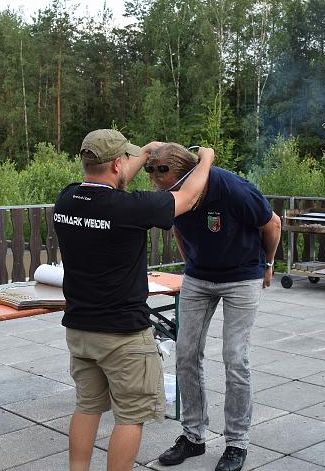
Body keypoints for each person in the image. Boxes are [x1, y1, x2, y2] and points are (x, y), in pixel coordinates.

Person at [53, 130, 215, 471]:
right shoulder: (130, 208)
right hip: (123, 335)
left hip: (80, 330)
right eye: (126, 159)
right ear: (117, 163)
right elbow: (187, 197)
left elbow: (113, 176)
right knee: (130, 416)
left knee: (87, 407)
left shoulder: (66, 199)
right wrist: (207, 159)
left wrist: (142, 153)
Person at [150, 143, 281, 471]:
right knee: (186, 353)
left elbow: (273, 224)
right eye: (153, 173)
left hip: (242, 276)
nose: (156, 181)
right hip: (199, 277)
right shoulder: (172, 194)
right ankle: (193, 436)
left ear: (186, 174)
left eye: (162, 174)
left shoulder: (232, 188)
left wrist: (267, 264)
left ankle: (237, 443)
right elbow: (178, 229)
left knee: (235, 357)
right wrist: (190, 263)